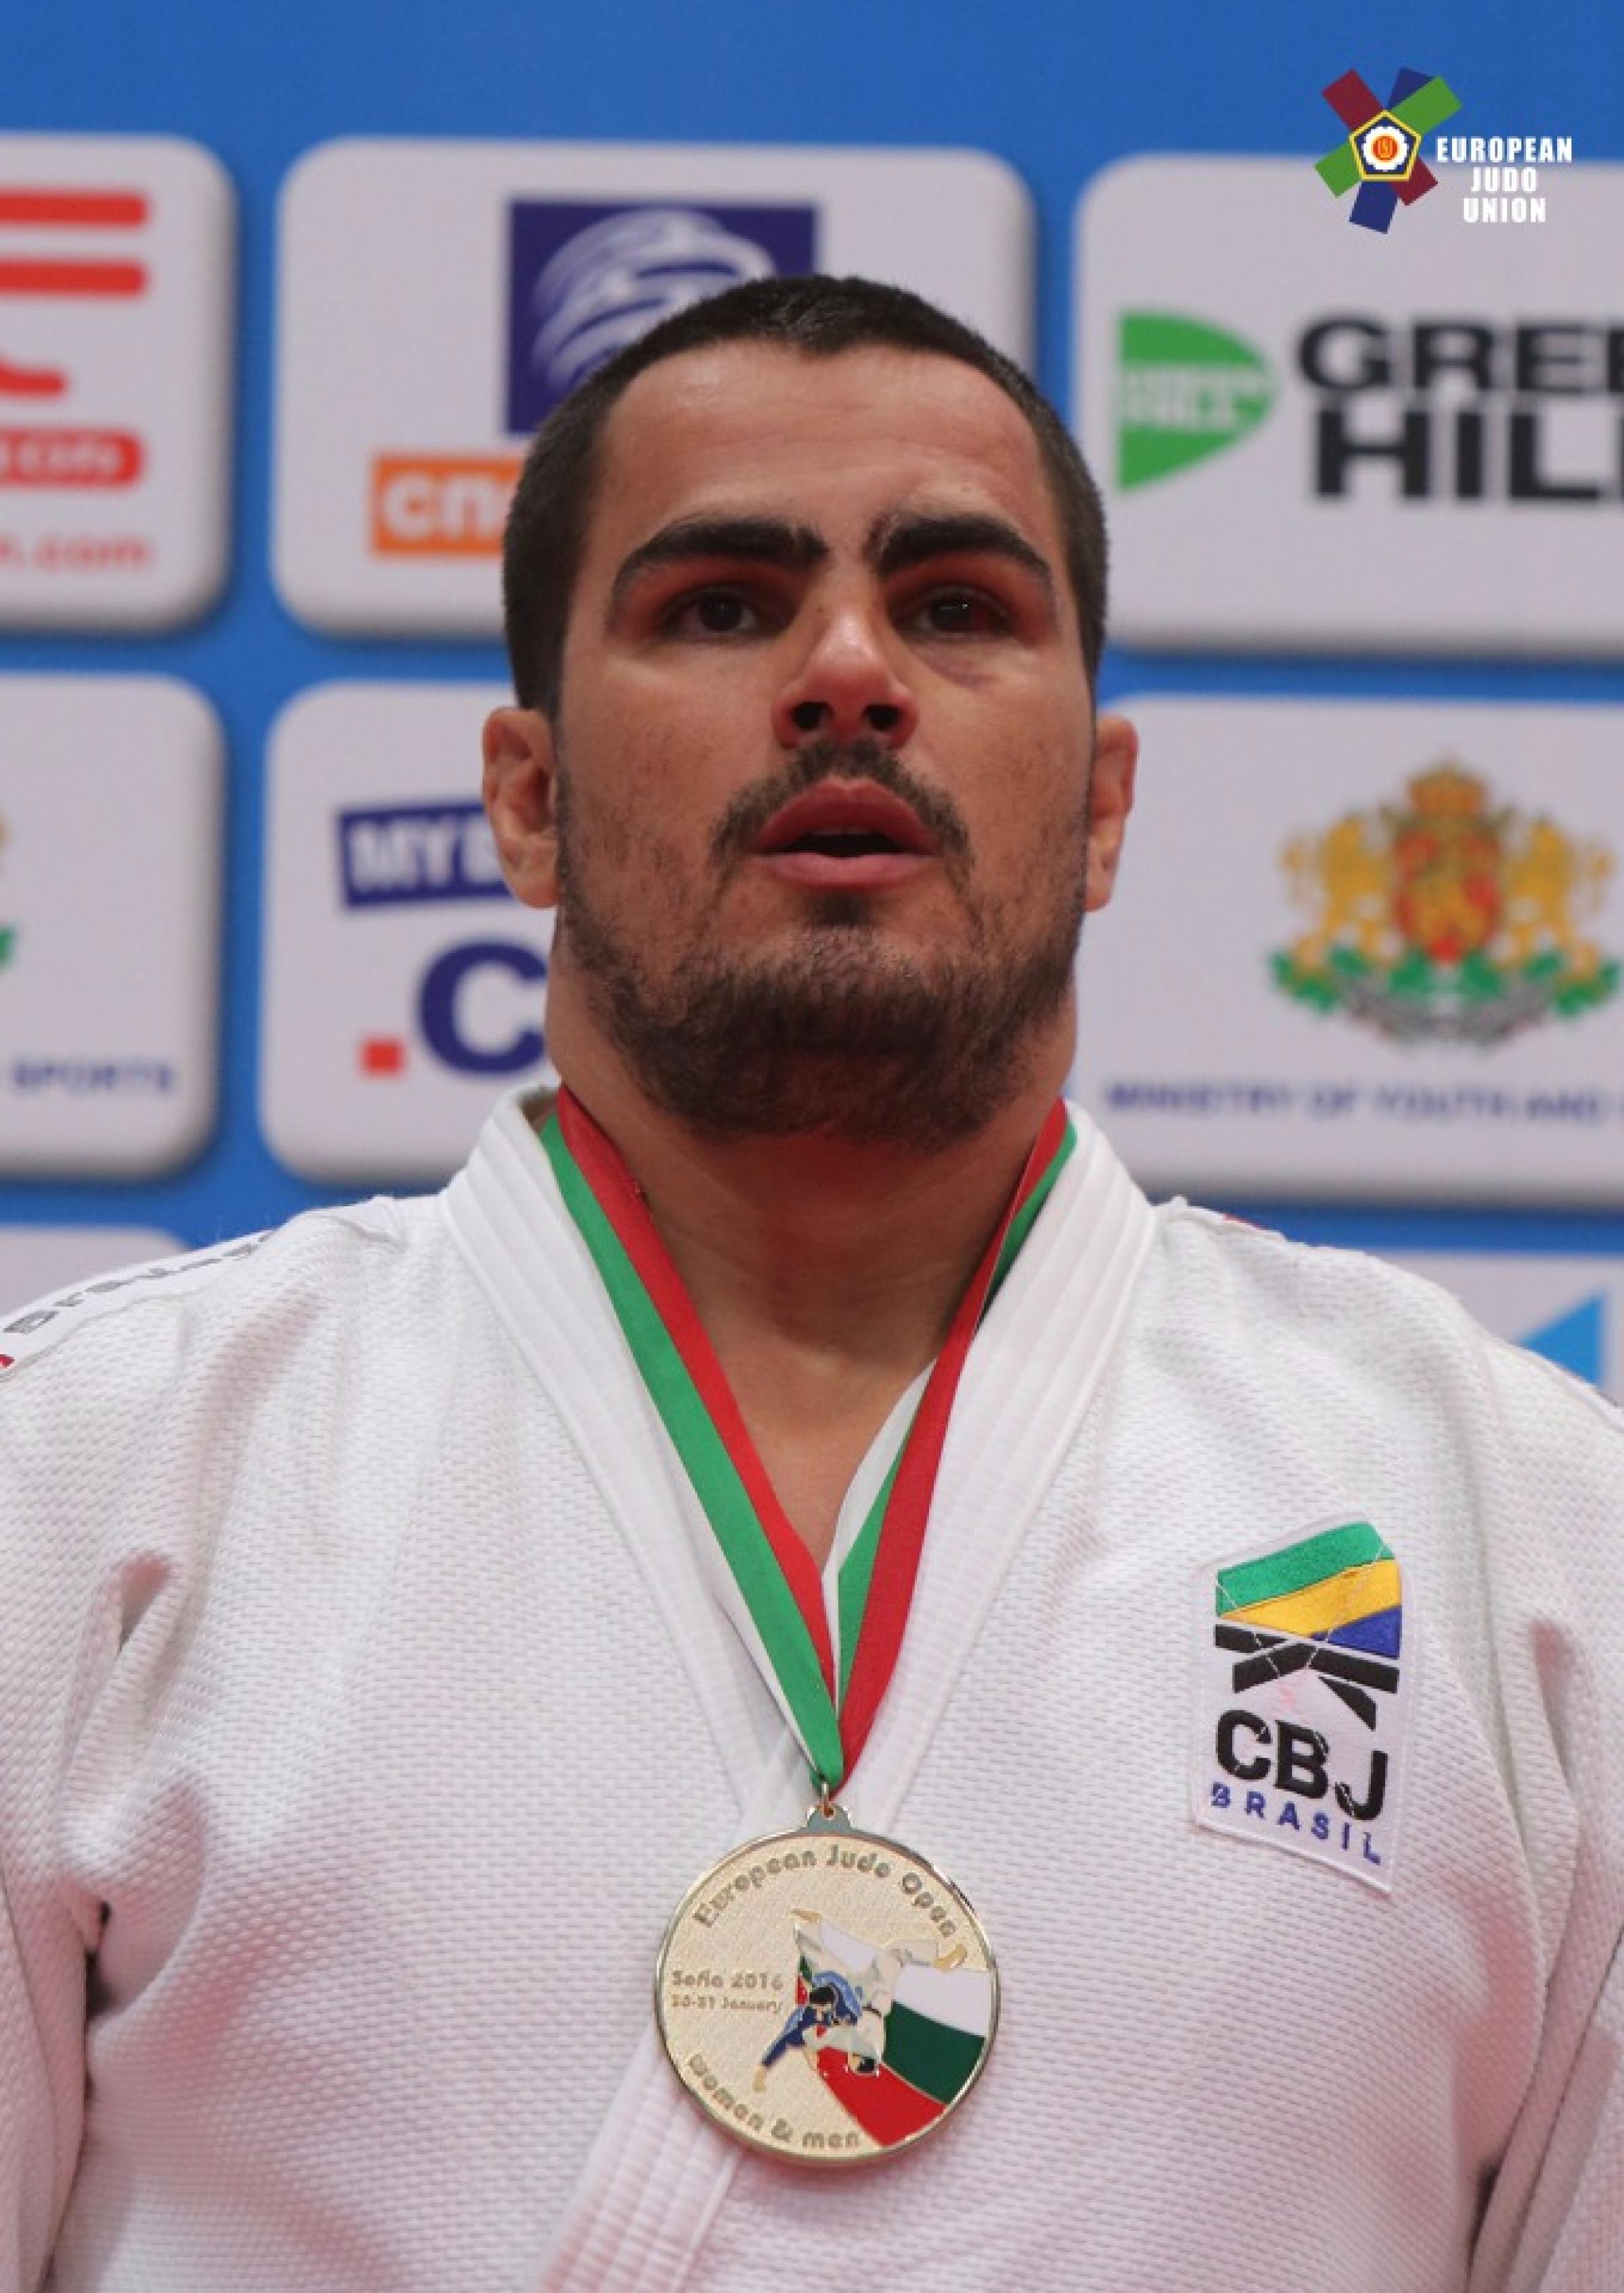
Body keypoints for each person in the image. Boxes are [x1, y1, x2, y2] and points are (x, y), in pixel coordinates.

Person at [1, 274, 1620, 2291]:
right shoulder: (91, 1480)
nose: (849, 673)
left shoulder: (1518, 1526)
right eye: (721, 606)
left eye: (954, 607)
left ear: (1104, 806)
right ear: (526, 798)